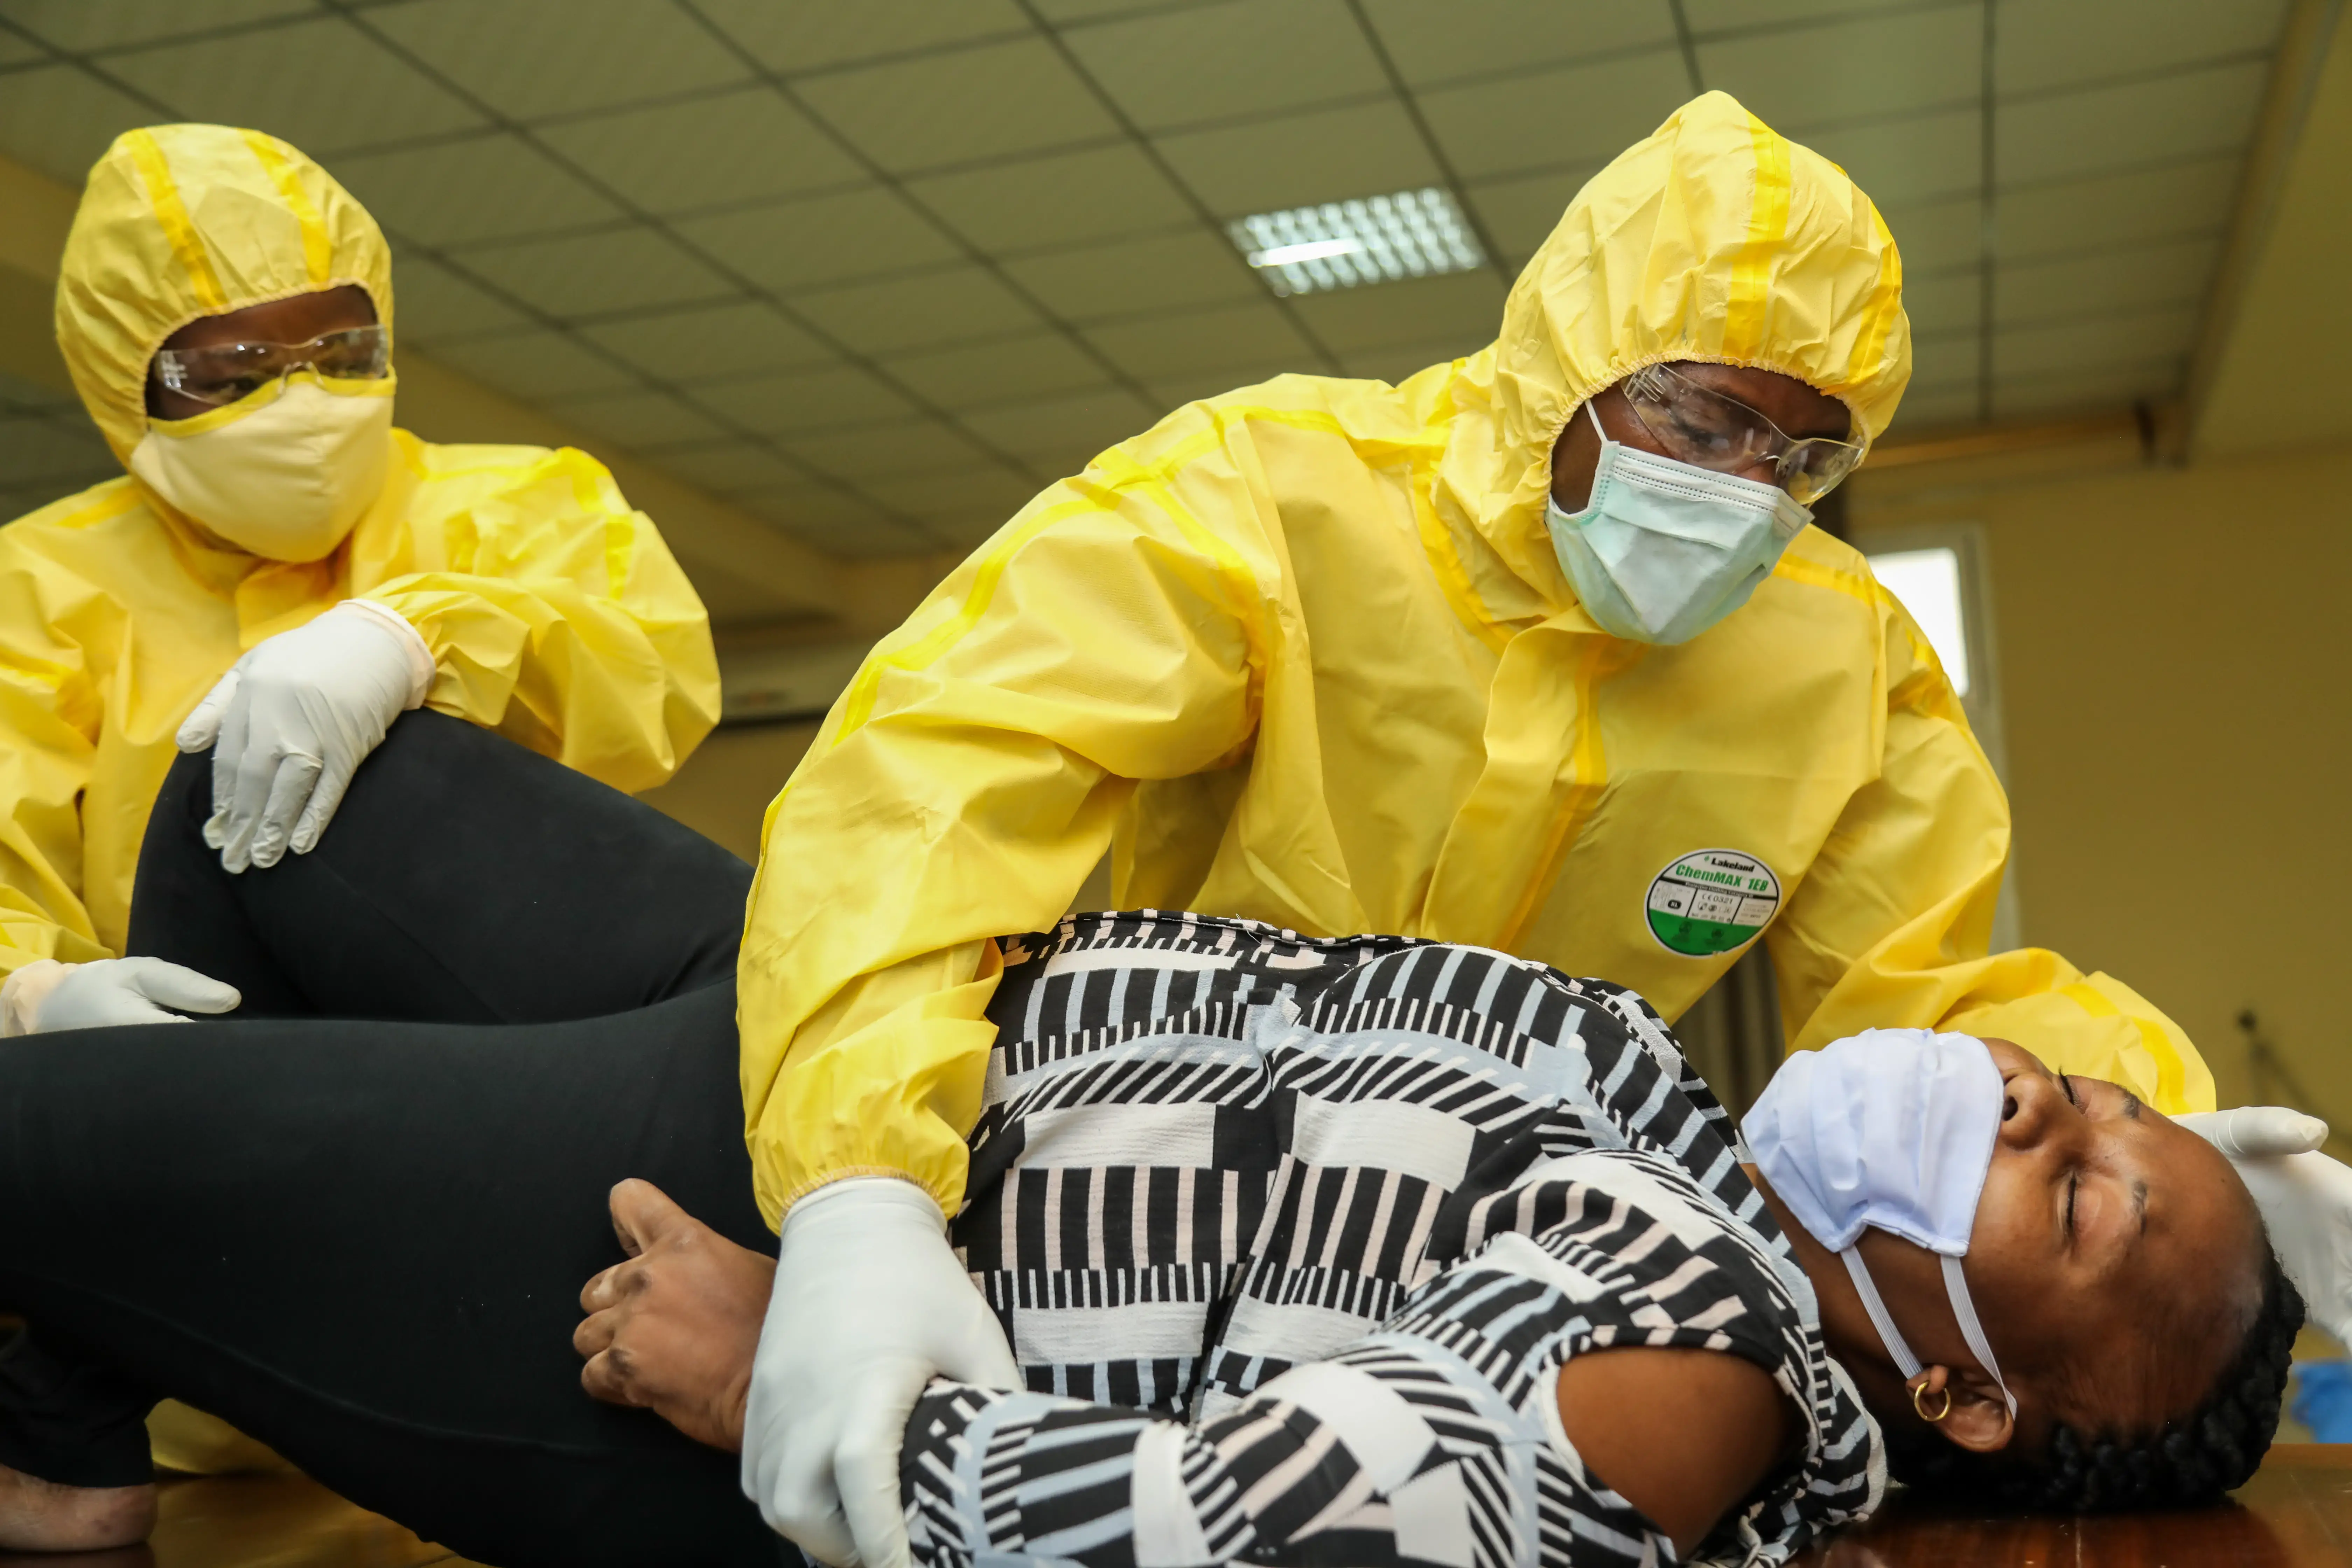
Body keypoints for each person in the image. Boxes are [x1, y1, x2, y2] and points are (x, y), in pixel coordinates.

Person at [726, 88, 2352, 1561]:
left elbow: (1920, 1021)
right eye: (1704, 422)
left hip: (1377, 1290)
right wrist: (863, 1189)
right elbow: (929, 793)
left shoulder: (1841, 663)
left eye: (1807, 455)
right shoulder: (1269, 504)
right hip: (1056, 1157)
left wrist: (2164, 1143)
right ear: (1574, 361)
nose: (1747, 491)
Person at [0, 713, 2302, 1568]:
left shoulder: (1691, 1373)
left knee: (31, 1130)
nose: (2035, 1091)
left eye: (2078, 1185)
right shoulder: (1697, 1146)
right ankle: (84, 1395)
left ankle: (76, 1333)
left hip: (737, 1253)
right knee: (249, 787)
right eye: (2091, 1096)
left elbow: (1244, 1541)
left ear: (1971, 1393)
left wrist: (815, 1385)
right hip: (854, 1040)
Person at [0, 121, 719, 1038]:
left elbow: (655, 680)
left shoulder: (515, 502)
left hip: (519, 1026)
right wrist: (30, 993)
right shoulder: (34, 587)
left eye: (344, 356)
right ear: (122, 382)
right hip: (198, 1068)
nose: (303, 403)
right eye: (234, 377)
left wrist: (419, 639)